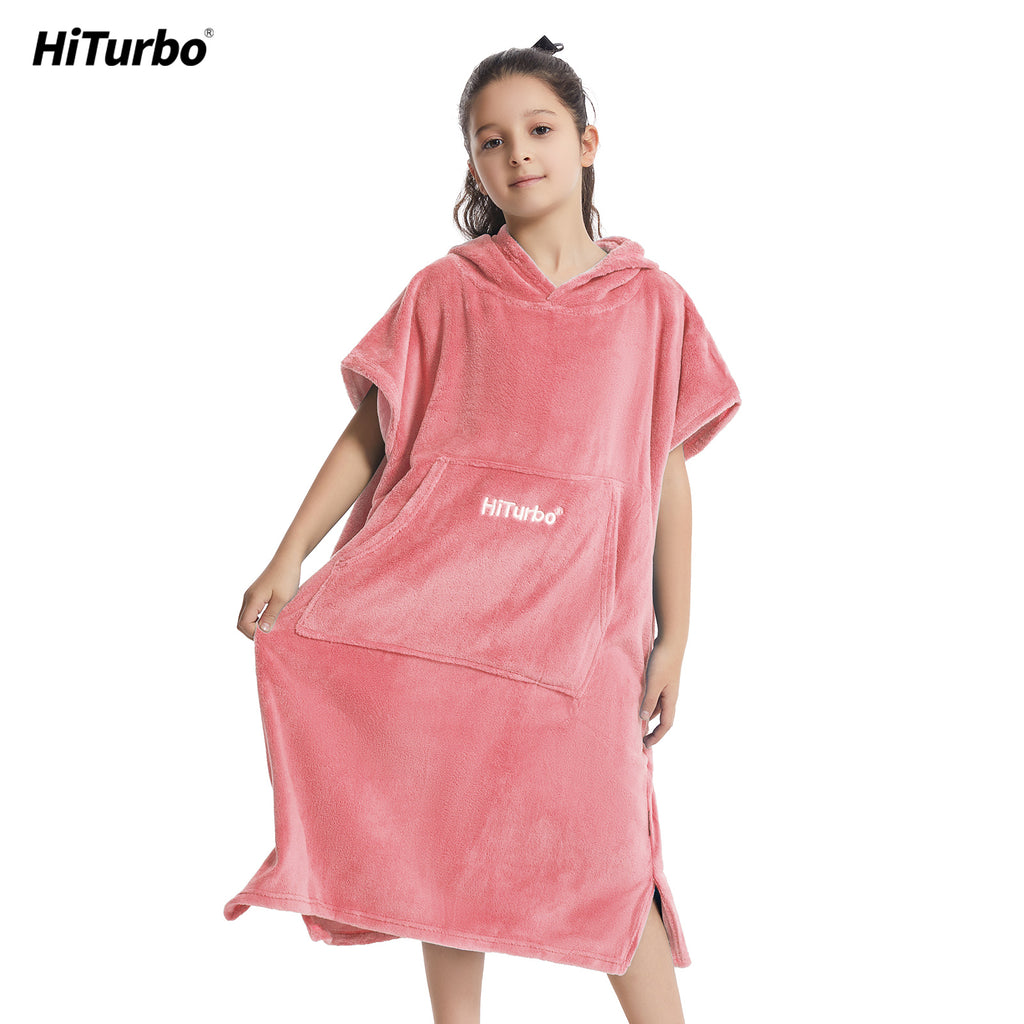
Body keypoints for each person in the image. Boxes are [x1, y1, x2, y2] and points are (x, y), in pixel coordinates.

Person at [225, 35, 741, 1024]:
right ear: (473, 164)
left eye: (538, 129)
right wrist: (288, 556)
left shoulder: (653, 307)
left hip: (582, 637)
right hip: (446, 618)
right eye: (491, 140)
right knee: (448, 839)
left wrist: (676, 636)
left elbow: (665, 471)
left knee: (613, 857)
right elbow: (372, 435)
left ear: (586, 142)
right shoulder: (446, 291)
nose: (518, 153)